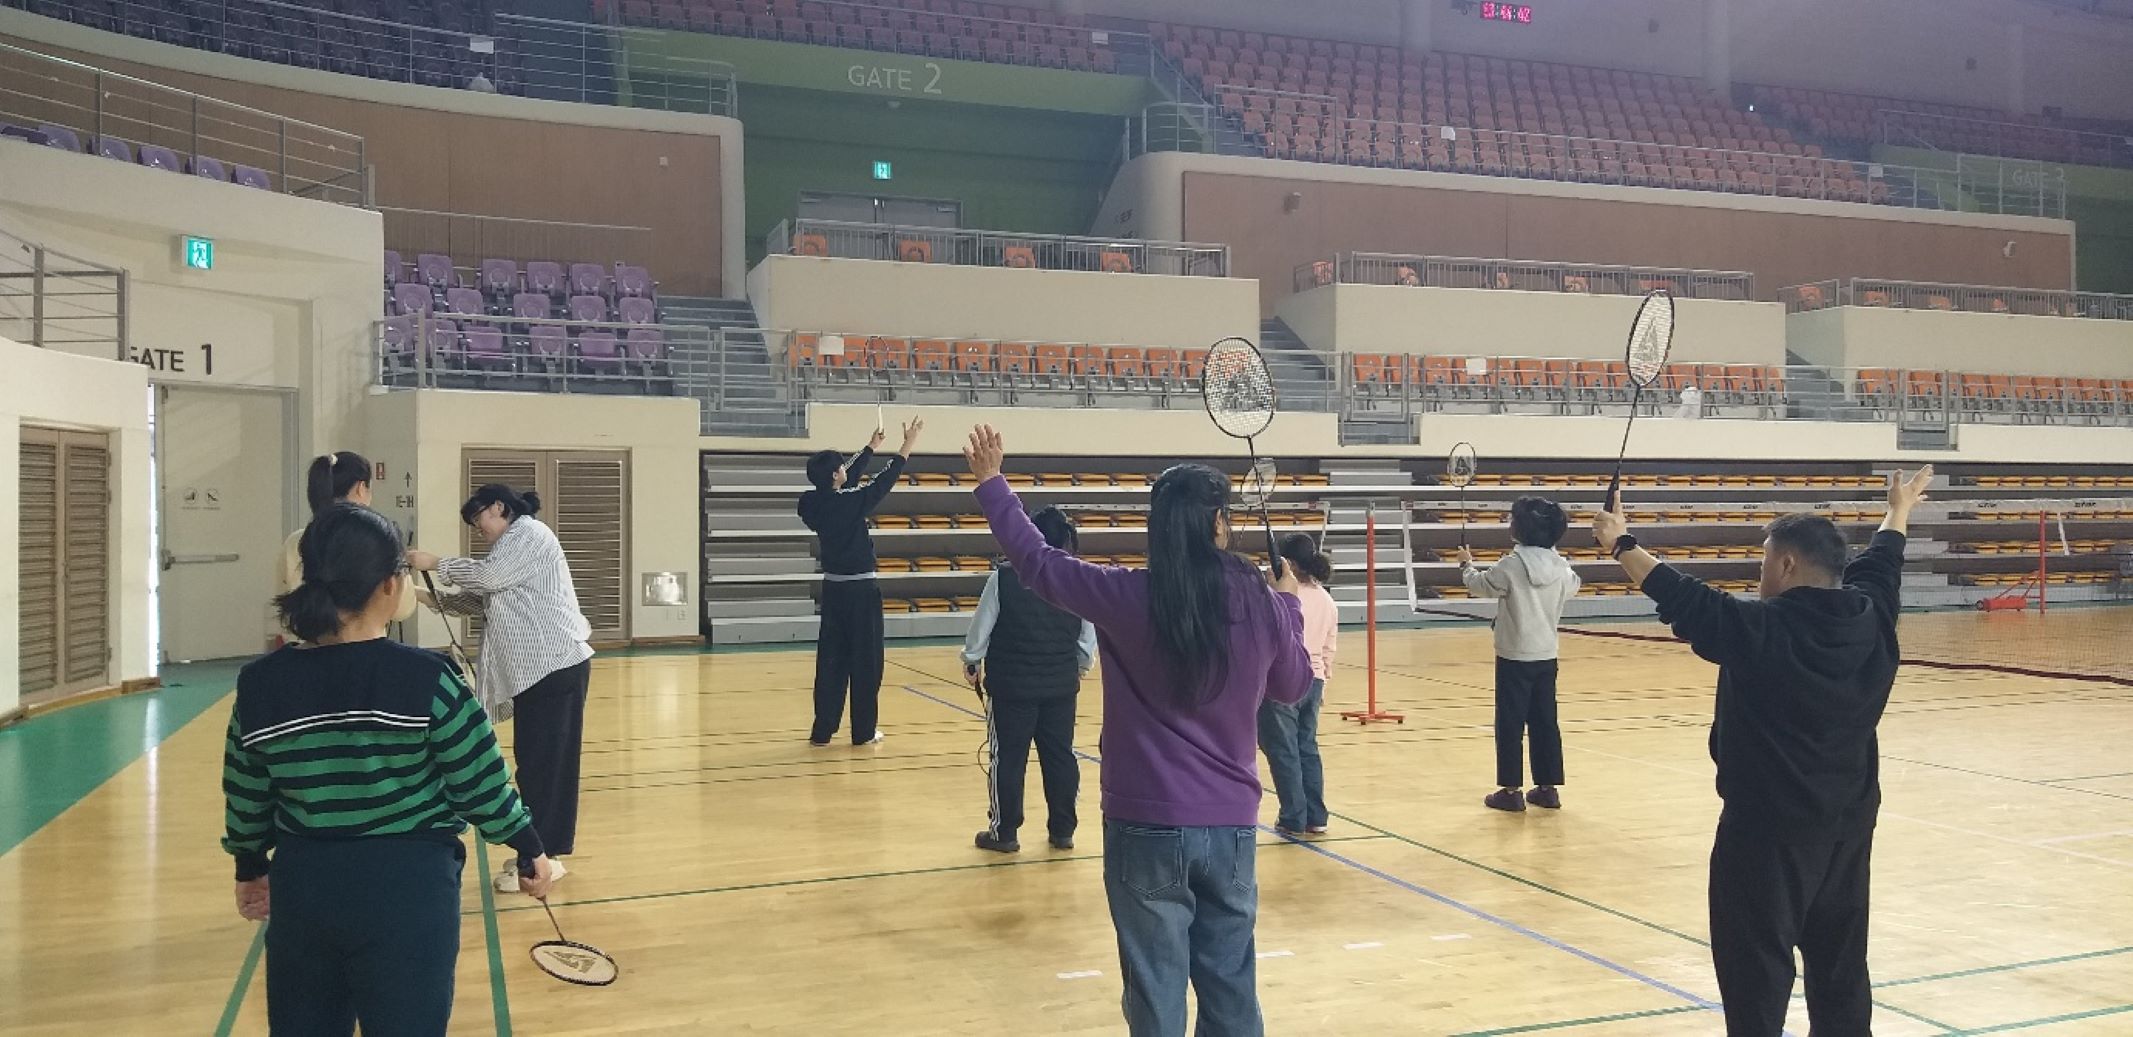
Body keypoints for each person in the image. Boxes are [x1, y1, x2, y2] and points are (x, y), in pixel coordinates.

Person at [963, 425, 1312, 1037]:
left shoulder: (1125, 594)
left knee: (1154, 989)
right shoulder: (1258, 598)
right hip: (1230, 823)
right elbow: (1292, 686)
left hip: (1144, 824)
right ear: (1219, 524)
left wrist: (993, 484)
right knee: (1231, 987)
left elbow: (1039, 564)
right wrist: (1288, 605)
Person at [1592, 465, 1933, 1037]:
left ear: (1787, 565)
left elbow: (1686, 599)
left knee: (1755, 974)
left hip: (1765, 834)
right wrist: (1897, 511)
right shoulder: (1872, 616)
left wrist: (1621, 543)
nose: (1760, 573)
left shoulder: (1762, 629)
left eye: (1764, 562)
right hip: (1848, 828)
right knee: (1841, 967)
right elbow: (1884, 562)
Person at [223, 503, 557, 1035]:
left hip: (305, 885)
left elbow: (246, 791)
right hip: (409, 889)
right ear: (389, 585)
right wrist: (527, 843)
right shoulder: (428, 677)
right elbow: (478, 781)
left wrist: (249, 864)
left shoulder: (260, 684)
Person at [407, 484, 593, 893]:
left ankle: (546, 858)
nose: (479, 530)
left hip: (554, 665)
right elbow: (481, 600)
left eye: (480, 521)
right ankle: (538, 852)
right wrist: (420, 594)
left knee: (547, 767)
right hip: (537, 672)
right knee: (534, 763)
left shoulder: (529, 533)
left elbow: (488, 578)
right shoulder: (509, 548)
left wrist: (435, 562)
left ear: (498, 507)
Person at [961, 506, 1097, 854]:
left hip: (1011, 689)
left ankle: (1004, 832)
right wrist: (1080, 667)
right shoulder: (1076, 578)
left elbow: (981, 627)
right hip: (1061, 687)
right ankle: (1063, 830)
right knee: (1060, 757)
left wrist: (972, 659)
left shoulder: (1005, 577)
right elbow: (1086, 641)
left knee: (1008, 759)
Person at [798, 419, 924, 747]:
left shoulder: (811, 503)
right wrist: (907, 445)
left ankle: (822, 731)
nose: (845, 470)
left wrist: (870, 447)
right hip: (861, 592)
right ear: (834, 475)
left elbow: (844, 482)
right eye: (841, 468)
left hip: (833, 591)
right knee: (867, 662)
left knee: (831, 661)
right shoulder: (848, 503)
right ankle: (863, 731)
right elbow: (881, 484)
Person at [1457, 496, 1582, 813]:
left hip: (1514, 657)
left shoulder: (1511, 565)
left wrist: (1465, 564)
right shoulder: (1560, 566)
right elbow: (1573, 585)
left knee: (1510, 724)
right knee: (1545, 722)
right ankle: (1548, 789)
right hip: (1547, 655)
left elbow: (1480, 585)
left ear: (1521, 528)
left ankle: (1511, 791)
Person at [1258, 533, 1338, 836]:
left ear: (1288, 563)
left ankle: (1293, 816)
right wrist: (1323, 681)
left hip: (1284, 681)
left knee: (1283, 750)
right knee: (1307, 747)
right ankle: (1315, 816)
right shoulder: (1327, 600)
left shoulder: (1280, 596)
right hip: (1314, 681)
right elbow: (1329, 647)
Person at [279, 452, 415, 630]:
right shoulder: (374, 539)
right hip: (363, 641)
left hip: (307, 639)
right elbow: (401, 607)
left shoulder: (295, 541)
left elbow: (288, 595)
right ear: (361, 488)